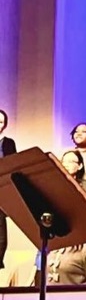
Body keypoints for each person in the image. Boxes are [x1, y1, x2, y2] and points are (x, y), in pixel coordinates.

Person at [0, 109, 17, 268]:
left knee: (0, 234)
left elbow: (13, 165)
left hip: (1, 191)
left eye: (1, 122)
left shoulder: (8, 142)